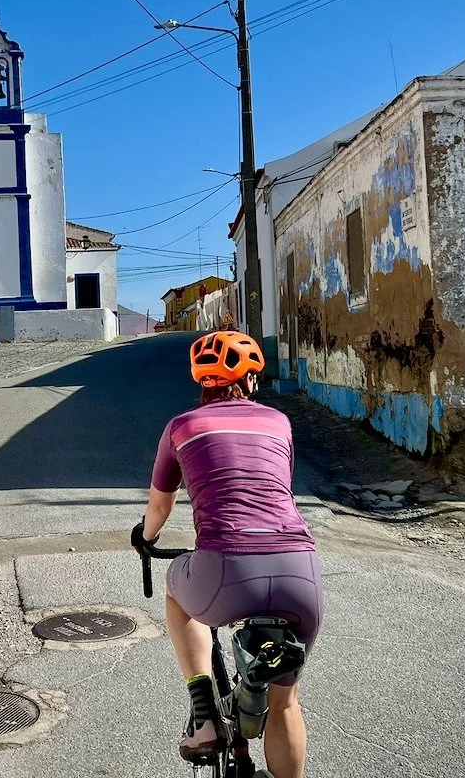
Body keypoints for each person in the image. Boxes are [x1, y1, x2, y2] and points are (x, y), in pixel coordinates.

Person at [133, 331, 323, 778]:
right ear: (251, 381)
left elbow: (160, 506)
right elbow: (277, 486)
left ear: (202, 383)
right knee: (287, 702)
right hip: (300, 569)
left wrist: (145, 537)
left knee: (178, 593)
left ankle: (203, 717)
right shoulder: (280, 422)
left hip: (227, 568)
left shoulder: (182, 426)